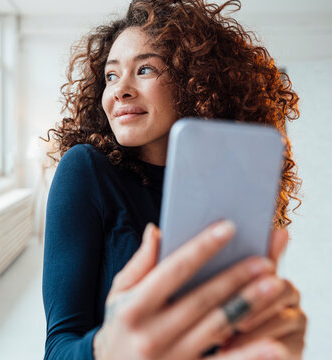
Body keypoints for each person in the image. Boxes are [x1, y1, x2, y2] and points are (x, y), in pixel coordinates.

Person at [42, 0, 306, 359]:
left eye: (146, 69)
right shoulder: (86, 170)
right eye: (111, 75)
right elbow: (59, 346)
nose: (120, 90)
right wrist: (107, 349)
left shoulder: (229, 184)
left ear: (194, 80)